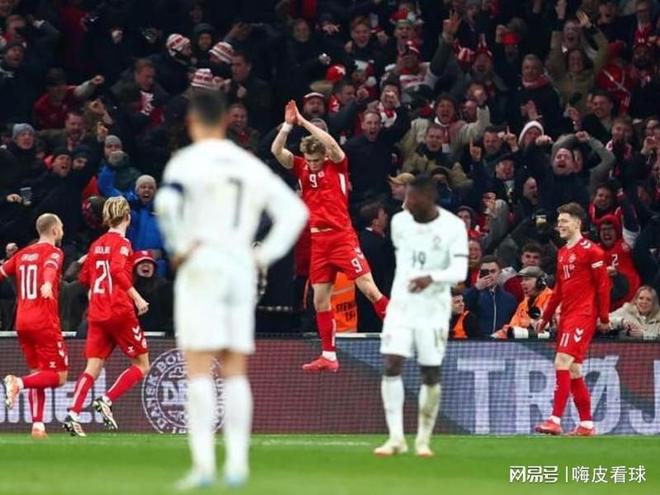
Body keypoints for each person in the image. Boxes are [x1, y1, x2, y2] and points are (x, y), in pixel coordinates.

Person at [155, 92, 307, 489]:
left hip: (201, 266)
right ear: (226, 122)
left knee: (198, 367)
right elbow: (295, 212)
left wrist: (178, 245)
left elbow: (167, 204)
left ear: (192, 123)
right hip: (239, 267)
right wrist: (263, 256)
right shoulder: (248, 164)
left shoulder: (185, 162)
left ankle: (204, 466)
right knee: (235, 368)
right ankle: (237, 464)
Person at [271, 100, 389, 372]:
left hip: (342, 237)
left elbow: (332, 144)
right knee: (319, 300)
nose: (312, 165)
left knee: (369, 289)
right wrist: (288, 125)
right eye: (309, 160)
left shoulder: (337, 165)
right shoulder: (302, 167)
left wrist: (303, 122)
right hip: (319, 242)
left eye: (316, 160)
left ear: (324, 156)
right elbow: (276, 150)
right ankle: (329, 355)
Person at [374, 176, 468, 457]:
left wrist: (432, 278)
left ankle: (423, 440)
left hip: (433, 310)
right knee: (391, 363)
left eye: (413, 199)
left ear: (430, 198)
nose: (407, 204)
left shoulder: (453, 226)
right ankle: (395, 437)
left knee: (430, 372)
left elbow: (460, 272)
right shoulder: (399, 223)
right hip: (401, 306)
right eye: (406, 198)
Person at [63, 196, 150, 437]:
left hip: (98, 313)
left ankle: (73, 413)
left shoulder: (96, 244)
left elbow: (84, 278)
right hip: (119, 310)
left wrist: (88, 262)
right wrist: (137, 298)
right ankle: (107, 399)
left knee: (92, 367)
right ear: (127, 217)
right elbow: (116, 270)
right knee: (142, 365)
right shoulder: (123, 244)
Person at [534, 202, 611, 436]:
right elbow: (558, 290)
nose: (559, 225)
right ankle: (586, 424)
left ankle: (555, 419)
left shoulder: (592, 251)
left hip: (583, 314)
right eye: (559, 222)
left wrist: (604, 316)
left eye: (564, 221)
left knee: (562, 362)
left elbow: (603, 285)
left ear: (577, 223)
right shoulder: (563, 252)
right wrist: (545, 317)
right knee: (574, 370)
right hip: (567, 315)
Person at [1, 214, 68, 439]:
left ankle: (38, 426)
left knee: (38, 373)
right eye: (61, 227)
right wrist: (48, 282)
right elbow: (50, 266)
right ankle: (17, 383)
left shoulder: (22, 254)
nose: (63, 231)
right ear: (54, 230)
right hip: (44, 321)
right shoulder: (54, 252)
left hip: (22, 321)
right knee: (58, 376)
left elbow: (2, 272)